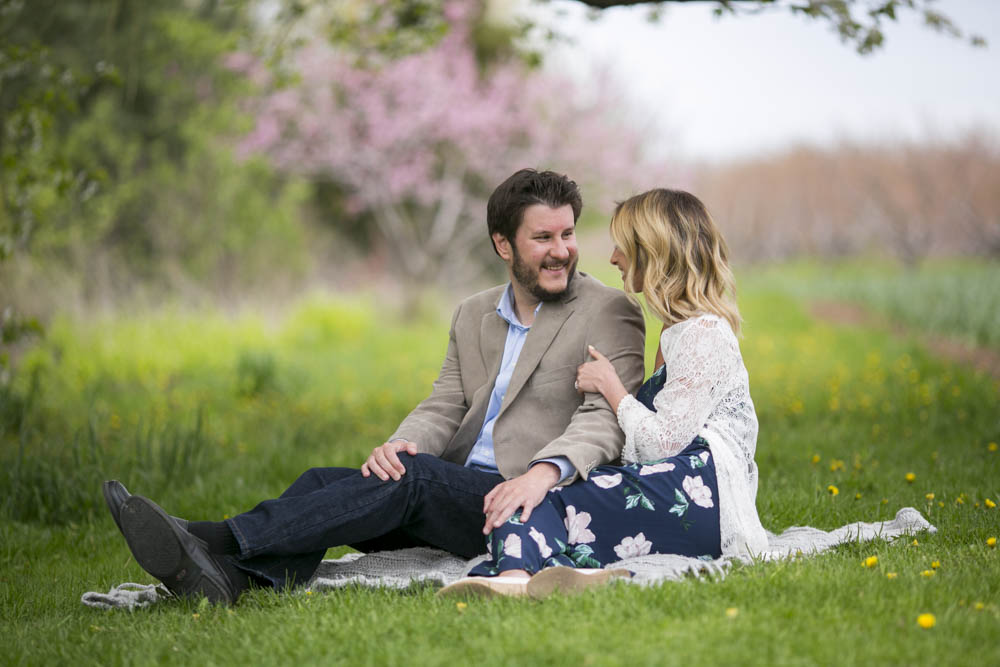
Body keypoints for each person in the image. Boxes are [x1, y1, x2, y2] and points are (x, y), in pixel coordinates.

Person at [103, 168, 645, 604]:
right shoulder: (474, 312)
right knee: (326, 481)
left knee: (412, 481)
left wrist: (543, 475)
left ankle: (209, 537)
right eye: (543, 237)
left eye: (568, 234)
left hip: (530, 505)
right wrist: (401, 445)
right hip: (453, 492)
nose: (561, 250)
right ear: (503, 245)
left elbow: (604, 419)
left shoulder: (607, 310)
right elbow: (444, 402)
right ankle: (230, 581)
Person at [439, 188, 768, 598]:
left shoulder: (704, 333)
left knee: (542, 496)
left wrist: (612, 388)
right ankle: (526, 580)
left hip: (706, 498)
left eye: (622, 247)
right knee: (533, 492)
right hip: (678, 490)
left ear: (653, 251)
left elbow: (662, 446)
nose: (613, 258)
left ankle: (517, 574)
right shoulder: (676, 332)